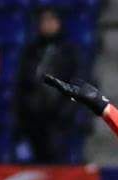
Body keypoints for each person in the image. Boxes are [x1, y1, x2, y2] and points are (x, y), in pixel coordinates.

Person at [15, 6, 79, 163]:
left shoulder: (69, 51)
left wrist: (66, 110)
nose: (47, 24)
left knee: (57, 159)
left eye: (51, 20)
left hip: (59, 117)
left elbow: (76, 81)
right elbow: (22, 82)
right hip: (33, 116)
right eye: (44, 21)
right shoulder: (31, 50)